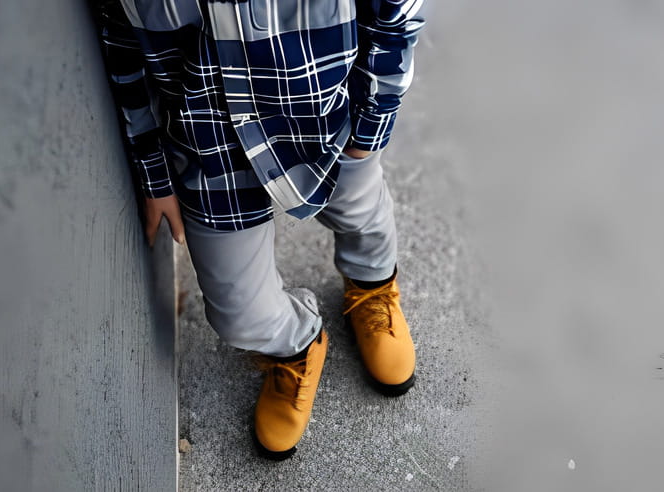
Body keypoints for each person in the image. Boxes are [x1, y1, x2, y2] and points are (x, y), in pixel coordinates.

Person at [93, 0, 425, 460]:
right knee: (237, 312)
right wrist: (153, 172)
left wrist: (372, 121)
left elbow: (395, 11)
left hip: (326, 112)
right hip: (209, 142)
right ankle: (298, 345)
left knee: (360, 211)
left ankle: (373, 287)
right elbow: (120, 43)